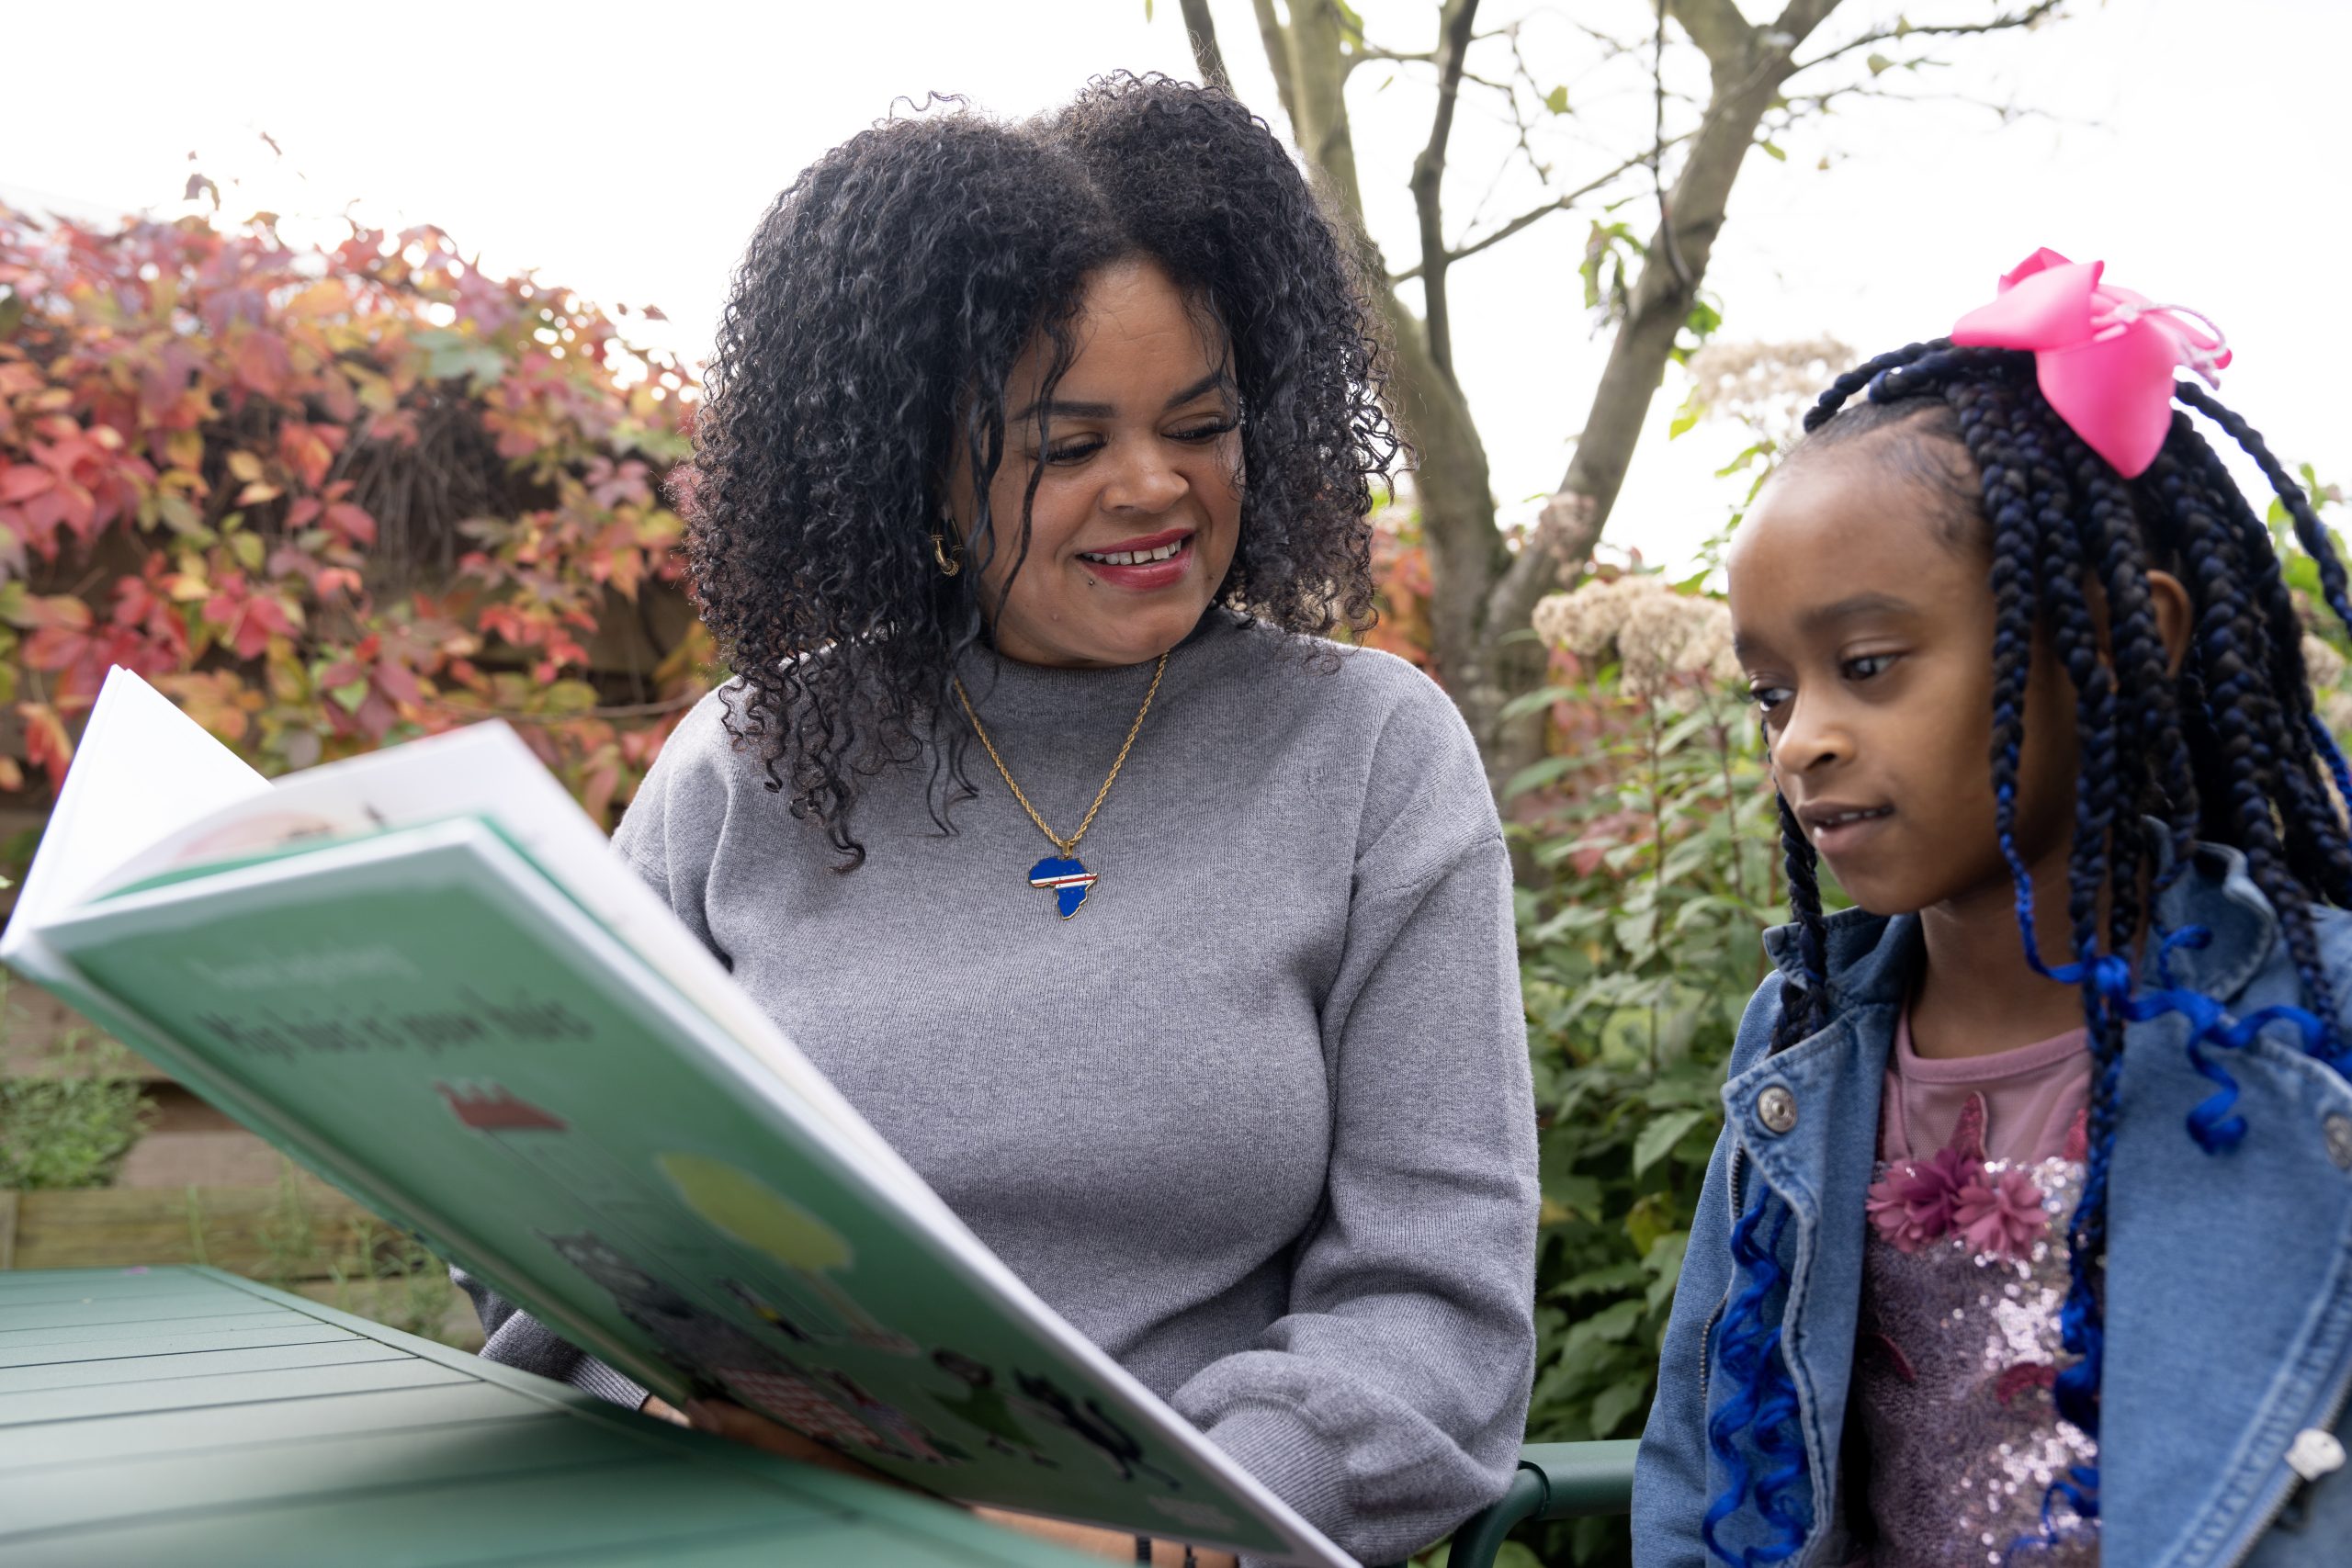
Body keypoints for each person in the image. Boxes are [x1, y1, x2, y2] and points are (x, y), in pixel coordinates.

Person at [455, 74, 1539, 1567]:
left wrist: (1172, 1531)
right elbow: (550, 1240)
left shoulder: (1368, 754)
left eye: (1202, 424)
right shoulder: (749, 764)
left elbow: (1437, 1301)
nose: (1153, 485)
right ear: (925, 466)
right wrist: (683, 1426)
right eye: (1067, 445)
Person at [1634, 250, 2352, 1566]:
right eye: (1773, 692)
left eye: (1866, 665)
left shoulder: (2318, 1027)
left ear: (2115, 641)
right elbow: (1703, 1465)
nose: (1800, 741)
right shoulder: (1801, 1042)